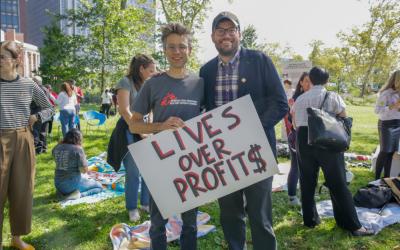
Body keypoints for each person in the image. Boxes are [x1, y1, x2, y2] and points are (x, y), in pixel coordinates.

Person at [200, 11, 288, 250]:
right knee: (230, 214)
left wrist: (250, 128)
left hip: (256, 150)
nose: (226, 35)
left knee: (260, 216)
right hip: (223, 156)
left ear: (239, 34)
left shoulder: (260, 61)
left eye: (231, 30)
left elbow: (280, 103)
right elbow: (202, 110)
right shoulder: (206, 71)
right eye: (221, 31)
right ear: (212, 37)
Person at [129, 23, 203, 250]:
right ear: (164, 50)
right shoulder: (153, 83)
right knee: (158, 223)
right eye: (171, 47)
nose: (177, 51)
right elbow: (134, 125)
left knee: (190, 223)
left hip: (191, 161)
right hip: (160, 160)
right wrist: (161, 126)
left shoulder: (200, 83)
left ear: (190, 49)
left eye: (182, 46)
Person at [292, 66, 374, 236]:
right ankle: (351, 225)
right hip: (327, 140)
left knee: (307, 181)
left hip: (304, 139)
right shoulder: (333, 96)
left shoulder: (300, 99)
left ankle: (310, 220)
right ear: (327, 81)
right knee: (337, 182)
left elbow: (295, 124)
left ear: (311, 80)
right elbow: (344, 118)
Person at [0, 40, 54, 250]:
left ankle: (17, 238)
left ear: (15, 60)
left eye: (2, 57)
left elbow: (49, 108)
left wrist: (37, 116)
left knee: (22, 190)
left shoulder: (29, 84)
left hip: (23, 140)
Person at [108, 54, 156, 222]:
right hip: (128, 130)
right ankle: (132, 208)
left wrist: (148, 126)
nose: (153, 73)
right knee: (134, 172)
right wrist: (139, 130)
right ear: (141, 69)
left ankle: (145, 203)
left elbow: (150, 109)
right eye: (151, 70)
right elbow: (124, 110)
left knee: (150, 170)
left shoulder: (148, 84)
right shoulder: (125, 82)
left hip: (144, 130)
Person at [284, 72, 311, 206]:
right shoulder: (296, 99)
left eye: (311, 81)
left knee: (308, 167)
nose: (309, 84)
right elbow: (291, 121)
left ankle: (306, 195)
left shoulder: (314, 97)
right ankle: (292, 197)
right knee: (296, 166)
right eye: (306, 81)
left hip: (311, 136)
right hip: (297, 136)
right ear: (301, 82)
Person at [53, 128, 103, 199]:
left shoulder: (56, 147)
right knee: (99, 186)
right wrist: (84, 160)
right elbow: (84, 170)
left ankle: (63, 193)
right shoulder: (78, 149)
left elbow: (62, 162)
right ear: (78, 139)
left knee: (83, 179)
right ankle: (78, 195)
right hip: (71, 184)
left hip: (58, 183)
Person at [374, 70, 400, 179]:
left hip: (398, 124)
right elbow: (377, 110)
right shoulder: (386, 93)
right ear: (395, 80)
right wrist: (392, 106)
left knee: (391, 152)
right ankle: (376, 178)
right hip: (386, 124)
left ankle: (386, 178)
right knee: (385, 151)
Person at [31, 75, 54, 154]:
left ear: (35, 81)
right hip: (47, 114)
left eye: (33, 80)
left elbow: (34, 104)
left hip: (38, 113)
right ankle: (44, 148)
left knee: (36, 131)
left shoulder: (35, 89)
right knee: (43, 131)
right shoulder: (46, 89)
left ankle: (38, 149)